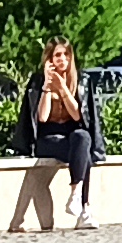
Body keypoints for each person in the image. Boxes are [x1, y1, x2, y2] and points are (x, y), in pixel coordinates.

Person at [29, 40, 96, 222]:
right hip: (48, 138)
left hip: (70, 135)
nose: (62, 59)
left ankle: (75, 193)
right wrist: (48, 86)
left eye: (66, 55)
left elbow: (77, 116)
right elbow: (42, 117)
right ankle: (85, 210)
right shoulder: (39, 81)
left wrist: (63, 88)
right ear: (49, 59)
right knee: (84, 156)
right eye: (57, 55)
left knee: (83, 138)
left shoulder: (79, 80)